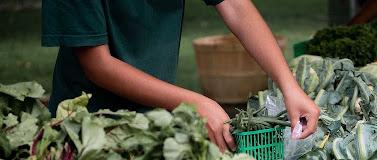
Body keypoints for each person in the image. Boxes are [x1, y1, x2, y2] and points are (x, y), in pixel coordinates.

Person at [41, 0, 320, 151]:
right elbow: (97, 64)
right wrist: (196, 103)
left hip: (157, 126)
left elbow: (235, 5)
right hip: (85, 132)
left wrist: (289, 86)